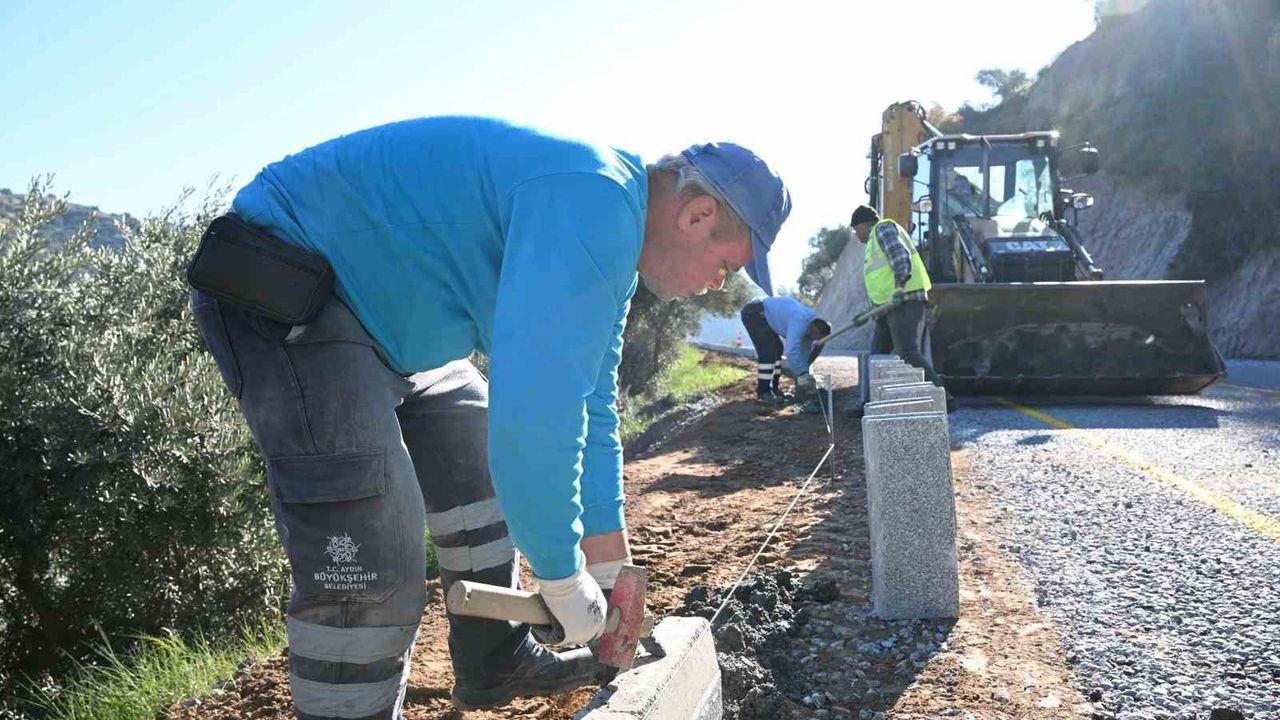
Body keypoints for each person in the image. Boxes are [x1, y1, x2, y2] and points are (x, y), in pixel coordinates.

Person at [189, 116, 790, 718]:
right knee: (373, 546)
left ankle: (493, 659)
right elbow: (535, 420)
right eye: (725, 266)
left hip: (383, 321)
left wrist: (607, 566)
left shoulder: (614, 234)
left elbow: (591, 405)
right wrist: (560, 576)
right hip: (290, 285)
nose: (717, 285)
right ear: (697, 215)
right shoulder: (595, 201)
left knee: (471, 438)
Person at [849, 204, 956, 414]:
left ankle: (945, 399)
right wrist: (870, 312)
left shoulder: (882, 229)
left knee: (907, 352)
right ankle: (869, 405)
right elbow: (881, 283)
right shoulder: (872, 244)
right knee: (876, 356)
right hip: (889, 307)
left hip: (905, 301)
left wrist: (899, 288)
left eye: (855, 228)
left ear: (863, 224)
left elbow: (900, 258)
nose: (856, 234)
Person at [739, 296, 830, 405]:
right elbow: (791, 350)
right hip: (754, 313)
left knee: (778, 349)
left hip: (764, 315)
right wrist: (802, 373)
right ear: (813, 330)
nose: (814, 340)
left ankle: (774, 390)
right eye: (815, 338)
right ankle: (763, 394)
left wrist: (805, 373)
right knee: (769, 351)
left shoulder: (810, 328)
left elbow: (804, 357)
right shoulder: (799, 322)